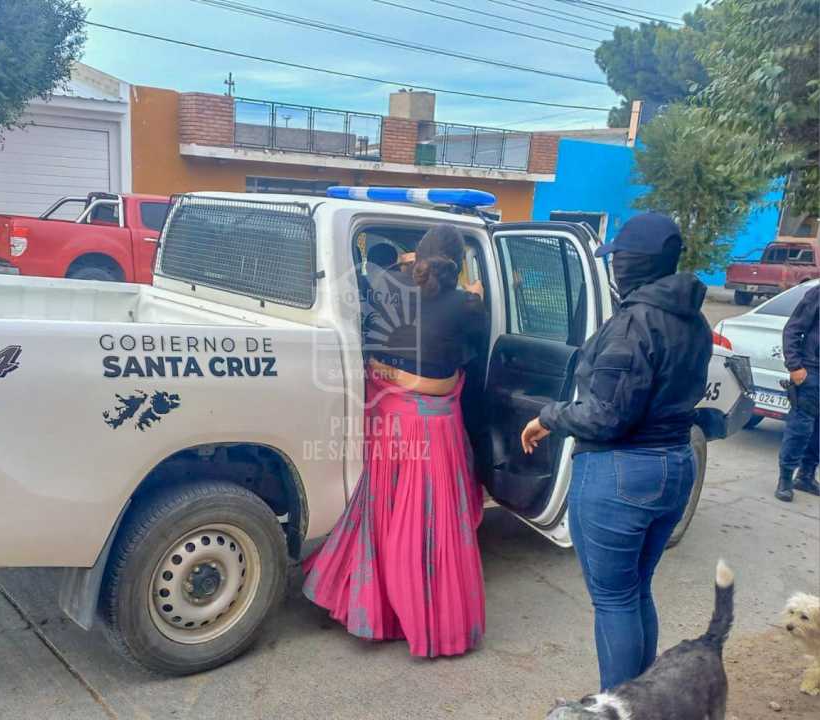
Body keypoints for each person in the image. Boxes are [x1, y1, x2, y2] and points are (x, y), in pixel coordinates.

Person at [521, 213, 712, 691]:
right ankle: (642, 701)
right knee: (635, 590)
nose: (614, 267)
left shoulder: (633, 325)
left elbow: (606, 417)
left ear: (632, 264)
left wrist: (549, 416)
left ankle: (620, 708)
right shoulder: (694, 319)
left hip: (624, 473)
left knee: (614, 599)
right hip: (675, 463)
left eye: (618, 259)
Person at [303, 224, 488, 657]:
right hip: (430, 422)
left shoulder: (385, 285)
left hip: (386, 412)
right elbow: (472, 352)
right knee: (427, 520)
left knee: (383, 507)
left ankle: (378, 604)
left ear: (416, 255)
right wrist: (474, 296)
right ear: (458, 263)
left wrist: (405, 266)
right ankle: (426, 619)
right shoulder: (467, 305)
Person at [775, 283, 820, 501]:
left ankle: (806, 476)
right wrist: (795, 366)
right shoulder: (817, 294)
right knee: (800, 428)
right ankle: (785, 479)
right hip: (812, 372)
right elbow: (793, 330)